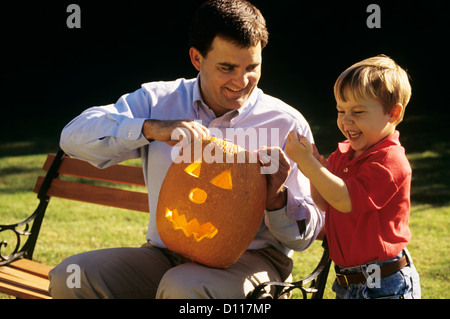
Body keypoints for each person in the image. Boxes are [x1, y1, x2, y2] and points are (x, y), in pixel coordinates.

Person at [48, 0, 324, 299]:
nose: (241, 81)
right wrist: (151, 129)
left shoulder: (286, 123)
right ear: (196, 58)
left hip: (252, 263)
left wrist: (277, 200)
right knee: (71, 277)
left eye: (252, 67)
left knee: (184, 286)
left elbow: (304, 237)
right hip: (166, 254)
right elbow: (73, 136)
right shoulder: (158, 100)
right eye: (227, 67)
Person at [285, 55, 421, 299]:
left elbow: (345, 200)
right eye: (340, 110)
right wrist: (318, 165)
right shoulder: (343, 155)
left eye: (358, 111)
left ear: (393, 112)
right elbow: (325, 201)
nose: (346, 120)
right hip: (348, 282)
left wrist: (308, 165)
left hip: (385, 282)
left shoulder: (390, 161)